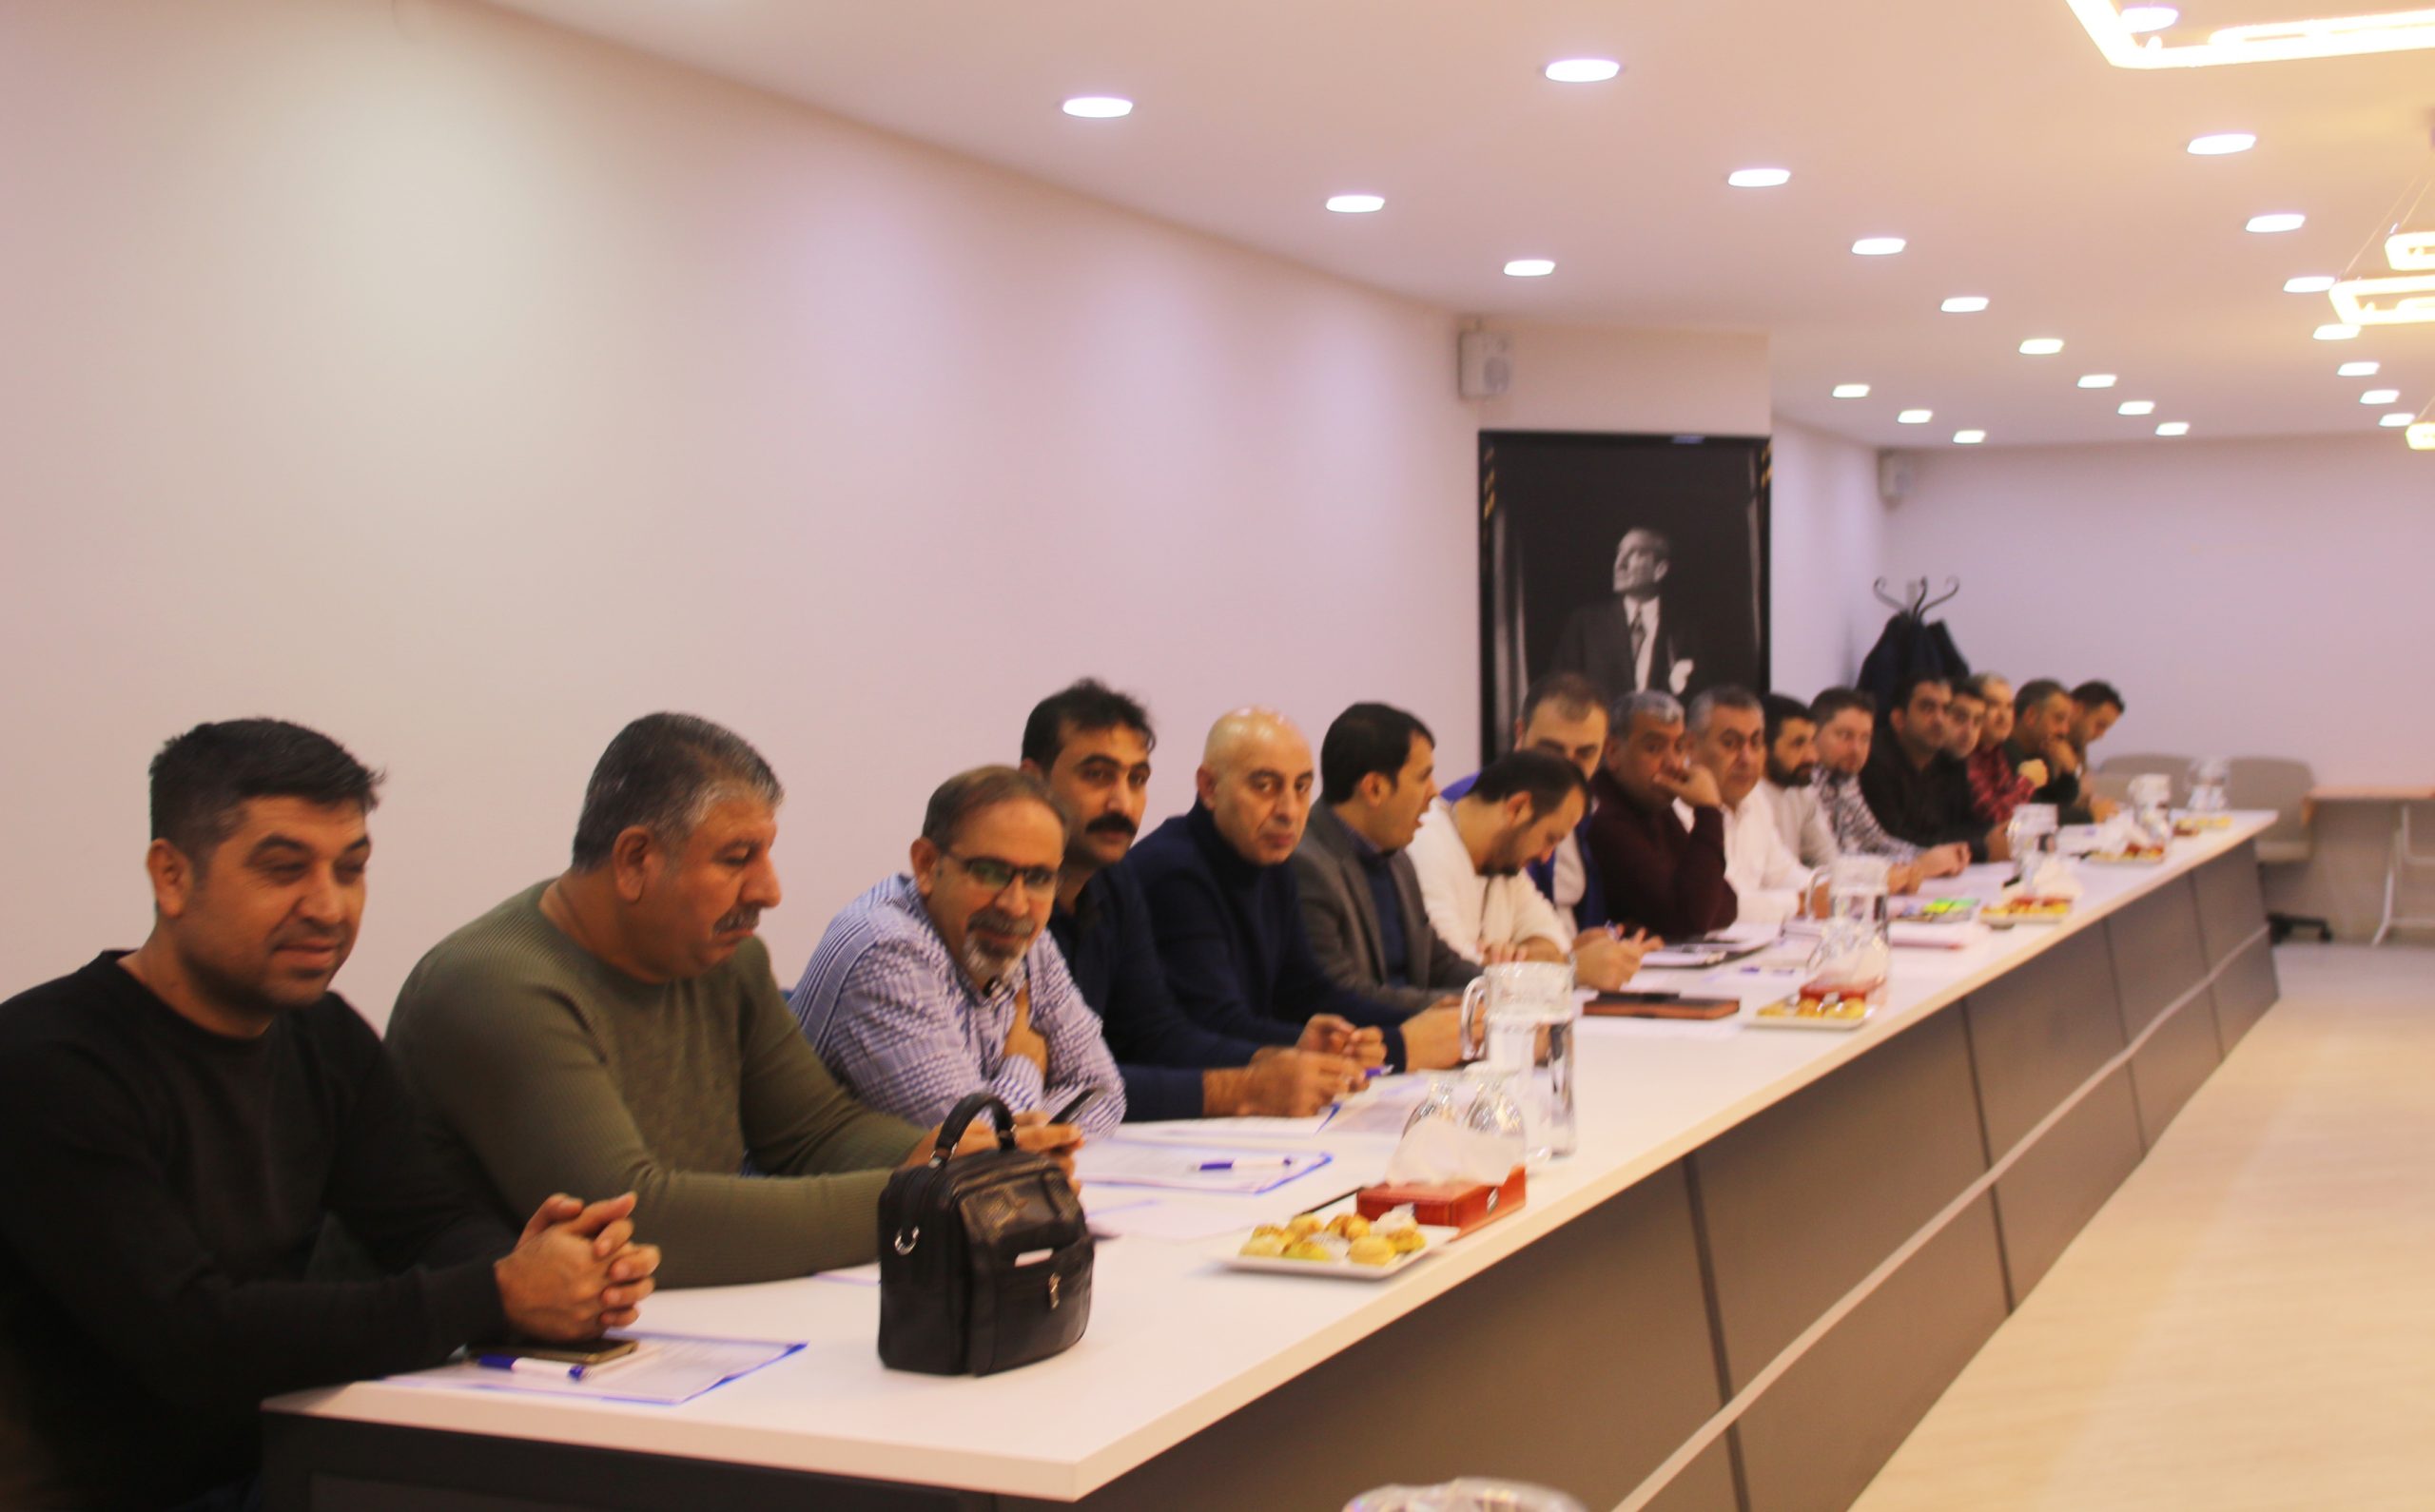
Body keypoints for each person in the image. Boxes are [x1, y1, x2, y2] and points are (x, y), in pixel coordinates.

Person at [0, 720, 659, 1512]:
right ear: (171, 877)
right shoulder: (50, 1063)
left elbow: (426, 1219)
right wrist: (498, 1294)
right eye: (284, 870)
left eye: (351, 870)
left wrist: (549, 1270)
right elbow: (191, 1337)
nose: (328, 906)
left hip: (290, 1459)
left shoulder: (323, 1035)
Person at [389, 714, 1041, 1291]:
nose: (769, 890)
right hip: (471, 1371)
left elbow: (815, 1132)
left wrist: (962, 1155)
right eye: (736, 858)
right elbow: (637, 1215)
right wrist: (924, 1196)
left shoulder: (725, 961)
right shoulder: (497, 986)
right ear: (635, 859)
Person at [1020, 680, 1361, 1121]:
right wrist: (1245, 1089)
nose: (1122, 803)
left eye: (1137, 779)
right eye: (1098, 775)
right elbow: (1045, 1084)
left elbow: (1156, 1035)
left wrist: (1277, 1057)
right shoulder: (1007, 900)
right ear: (1034, 781)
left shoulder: (1115, 882)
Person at [793, 766, 1127, 1138]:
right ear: (927, 865)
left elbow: (1103, 1092)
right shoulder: (885, 950)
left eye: (1038, 878)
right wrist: (1024, 1066)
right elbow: (963, 1144)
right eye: (990, 872)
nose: (1016, 905)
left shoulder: (1029, 942)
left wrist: (1031, 1136)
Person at [1123, 708, 1463, 1072]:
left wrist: (1424, 1019)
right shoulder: (1175, 871)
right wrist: (1394, 1045)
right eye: (1265, 786)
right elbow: (1216, 1023)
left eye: (1301, 788)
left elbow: (1308, 993)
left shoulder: (1273, 863)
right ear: (1209, 787)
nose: (1289, 810)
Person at [1407, 750, 1652, 988]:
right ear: (1518, 808)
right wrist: (1570, 968)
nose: (1546, 857)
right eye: (1550, 838)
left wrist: (1522, 959)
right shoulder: (1425, 843)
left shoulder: (1502, 864)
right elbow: (1454, 973)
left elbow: (1555, 937)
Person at [1294, 703, 1482, 1010]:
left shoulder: (1397, 859)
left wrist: (1502, 989)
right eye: (1423, 777)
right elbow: (1341, 994)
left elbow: (1439, 963)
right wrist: (1462, 1007)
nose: (1435, 792)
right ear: (1374, 788)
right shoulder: (1307, 865)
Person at [1442, 672, 1613, 941]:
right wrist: (1569, 959)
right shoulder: (1470, 808)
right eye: (1552, 750)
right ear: (1520, 733)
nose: (1568, 767)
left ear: (1605, 749)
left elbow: (1548, 929)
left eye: (1585, 753)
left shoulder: (1586, 809)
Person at [1584, 691, 1738, 939]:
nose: (1673, 764)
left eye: (1679, 748)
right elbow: (1691, 919)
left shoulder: (1654, 804)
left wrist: (1680, 912)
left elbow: (1728, 904)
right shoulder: (1604, 818)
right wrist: (1708, 811)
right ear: (1612, 751)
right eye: (1654, 748)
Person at [1811, 688, 1965, 887]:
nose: (1856, 749)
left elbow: (1874, 840)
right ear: (1813, 733)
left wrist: (1931, 856)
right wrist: (1916, 865)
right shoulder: (1806, 784)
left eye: (1865, 738)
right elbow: (1825, 862)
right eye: (1845, 736)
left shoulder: (1845, 779)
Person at [1684, 687, 1812, 925]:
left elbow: (1783, 873)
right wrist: (1800, 902)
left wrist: (1832, 889)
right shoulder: (1674, 805)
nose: (1747, 758)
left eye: (1756, 743)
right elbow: (1719, 905)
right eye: (1730, 743)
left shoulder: (1754, 798)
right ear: (1690, 746)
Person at [1860, 675, 2008, 862]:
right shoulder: (1874, 762)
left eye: (1946, 710)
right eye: (1927, 708)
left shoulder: (1950, 761)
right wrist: (1982, 850)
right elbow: (1893, 841)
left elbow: (1961, 826)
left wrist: (1997, 834)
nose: (1939, 719)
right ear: (1899, 719)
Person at [1550, 528, 1703, 697]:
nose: (1619, 564)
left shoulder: (1686, 629)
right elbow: (1561, 692)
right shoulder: (1585, 625)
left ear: (1659, 569)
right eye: (1619, 553)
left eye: (1634, 553)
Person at [2008, 679, 2114, 824]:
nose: (2065, 730)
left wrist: (2068, 772)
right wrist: (2089, 816)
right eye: (2059, 719)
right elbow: (2030, 812)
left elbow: (2058, 802)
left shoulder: (2040, 752)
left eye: (2066, 721)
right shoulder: (2003, 753)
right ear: (2030, 716)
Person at [1759, 692, 1839, 869]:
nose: (1812, 756)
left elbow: (1826, 858)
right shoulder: (1746, 796)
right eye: (1798, 744)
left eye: (1812, 742)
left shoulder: (1800, 789)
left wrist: (1881, 874)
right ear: (1762, 746)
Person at [1963, 673, 2044, 826]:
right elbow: (1998, 818)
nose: (2004, 716)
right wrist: (2028, 781)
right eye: (1993, 705)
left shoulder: (1998, 750)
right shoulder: (1966, 753)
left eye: (2009, 706)